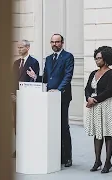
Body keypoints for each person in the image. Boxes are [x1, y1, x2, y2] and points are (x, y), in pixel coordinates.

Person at [27, 34, 74, 167]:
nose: (55, 44)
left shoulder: (68, 56)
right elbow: (47, 78)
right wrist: (36, 77)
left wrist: (58, 90)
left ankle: (68, 157)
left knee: (63, 126)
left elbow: (68, 75)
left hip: (62, 96)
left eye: (57, 42)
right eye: (52, 42)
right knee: (52, 127)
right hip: (49, 97)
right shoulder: (48, 59)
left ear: (62, 43)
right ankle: (58, 156)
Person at [84, 46, 112, 173]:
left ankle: (107, 162)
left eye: (99, 58)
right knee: (97, 133)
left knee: (108, 133)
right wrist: (88, 98)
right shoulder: (93, 73)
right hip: (94, 105)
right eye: (96, 58)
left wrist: (94, 100)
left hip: (106, 105)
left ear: (106, 59)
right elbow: (87, 88)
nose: (96, 60)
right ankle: (97, 160)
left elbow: (109, 91)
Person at [11, 39, 40, 158]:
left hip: (28, 98)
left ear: (28, 48)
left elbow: (35, 80)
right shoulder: (16, 63)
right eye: (18, 47)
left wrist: (34, 77)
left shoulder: (34, 62)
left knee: (27, 124)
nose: (19, 49)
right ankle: (19, 149)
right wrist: (11, 94)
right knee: (17, 124)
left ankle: (29, 148)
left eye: (21, 47)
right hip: (15, 98)